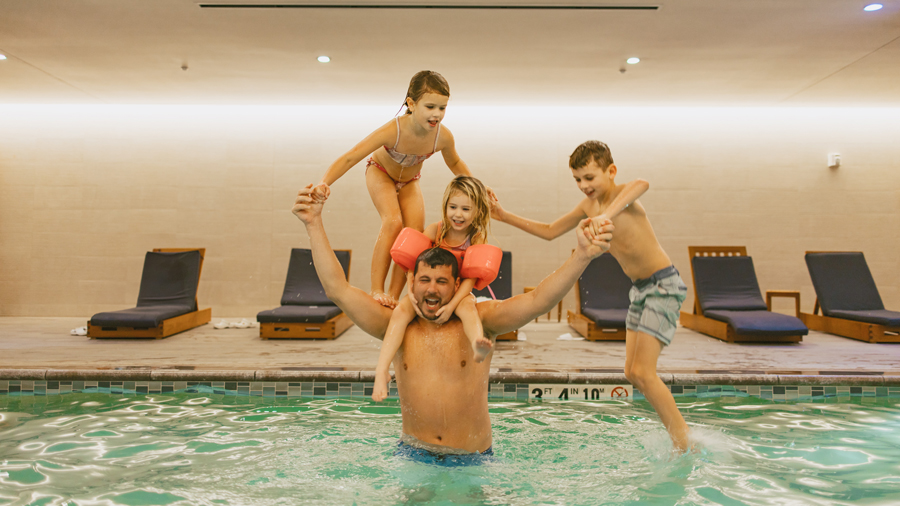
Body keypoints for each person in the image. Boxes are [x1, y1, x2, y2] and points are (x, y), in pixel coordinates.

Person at [291, 183, 613, 462]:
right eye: (425, 280)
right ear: (412, 279)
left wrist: (581, 256)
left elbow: (538, 299)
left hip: (473, 462)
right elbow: (338, 290)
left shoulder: (481, 319)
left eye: (442, 282)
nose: (432, 289)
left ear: (457, 283)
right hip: (413, 457)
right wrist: (313, 224)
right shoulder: (396, 324)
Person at [491, 140, 691, 452]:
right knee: (631, 372)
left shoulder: (623, 195)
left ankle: (684, 443)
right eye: (578, 180)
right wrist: (504, 216)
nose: (584, 186)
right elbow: (549, 230)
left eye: (590, 177)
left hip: (662, 286)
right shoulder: (588, 207)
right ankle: (677, 433)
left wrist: (605, 215)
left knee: (642, 371)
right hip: (640, 290)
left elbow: (642, 183)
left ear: (611, 172)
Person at [311, 70, 481, 308]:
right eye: (430, 106)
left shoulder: (442, 137)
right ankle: (377, 289)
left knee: (415, 233)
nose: (437, 114)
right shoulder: (393, 130)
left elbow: (454, 162)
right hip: (380, 172)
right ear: (411, 104)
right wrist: (324, 182)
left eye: (442, 108)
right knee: (393, 222)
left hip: (410, 181)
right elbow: (351, 157)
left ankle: (393, 294)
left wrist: (478, 189)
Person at [372, 176, 494, 402]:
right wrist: (410, 291)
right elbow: (412, 262)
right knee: (400, 313)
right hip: (427, 290)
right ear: (445, 206)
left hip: (458, 292)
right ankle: (381, 370)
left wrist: (452, 306)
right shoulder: (435, 230)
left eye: (466, 209)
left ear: (477, 211)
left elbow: (470, 277)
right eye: (453, 207)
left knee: (469, 310)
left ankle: (477, 344)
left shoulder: (476, 238)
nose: (458, 214)